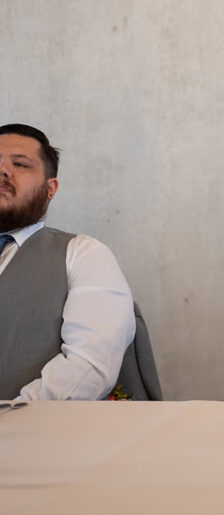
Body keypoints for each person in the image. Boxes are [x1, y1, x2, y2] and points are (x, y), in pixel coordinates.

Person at [0, 124, 135, 401]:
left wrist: (15, 414)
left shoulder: (84, 255)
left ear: (50, 188)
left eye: (20, 164)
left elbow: (89, 364)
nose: (3, 170)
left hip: (36, 436)